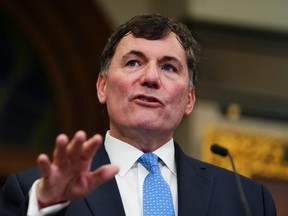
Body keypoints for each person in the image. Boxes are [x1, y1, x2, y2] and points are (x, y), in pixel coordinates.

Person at [0, 14, 276, 216]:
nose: (151, 78)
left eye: (169, 67)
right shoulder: (32, 193)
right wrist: (43, 207)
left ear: (189, 100)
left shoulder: (247, 201)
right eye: (134, 62)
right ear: (102, 86)